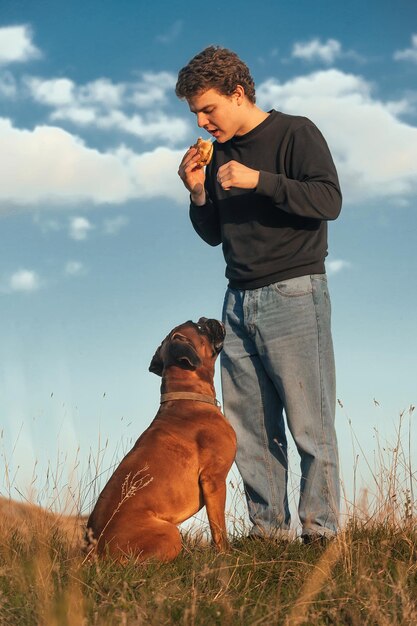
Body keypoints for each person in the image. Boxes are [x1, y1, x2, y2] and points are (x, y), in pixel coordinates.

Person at [176, 46, 341, 543]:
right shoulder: (217, 154)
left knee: (310, 426)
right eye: (196, 114)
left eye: (209, 109)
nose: (204, 123)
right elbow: (213, 234)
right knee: (249, 428)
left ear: (239, 93)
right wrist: (198, 192)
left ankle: (321, 536)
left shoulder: (296, 133)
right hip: (237, 301)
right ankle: (268, 535)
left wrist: (260, 181)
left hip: (294, 292)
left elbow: (328, 200)